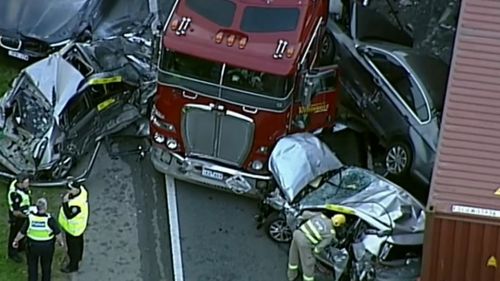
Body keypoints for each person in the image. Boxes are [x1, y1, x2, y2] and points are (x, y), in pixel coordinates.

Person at [12, 198, 64, 281]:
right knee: (46, 266)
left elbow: (22, 232)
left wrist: (16, 240)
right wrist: (60, 242)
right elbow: (57, 233)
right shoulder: (49, 219)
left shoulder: (30, 218)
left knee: (32, 266)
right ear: (45, 208)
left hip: (32, 246)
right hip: (47, 247)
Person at [287, 211, 346, 281]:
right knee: (309, 264)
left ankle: (291, 275)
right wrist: (314, 254)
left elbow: (305, 214)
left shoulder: (320, 215)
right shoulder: (331, 234)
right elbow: (319, 247)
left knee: (293, 255)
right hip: (304, 244)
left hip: (297, 233)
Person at [58, 178, 89, 273]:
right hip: (79, 227)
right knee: (79, 243)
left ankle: (73, 265)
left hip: (73, 229)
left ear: (76, 190)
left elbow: (69, 215)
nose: (68, 191)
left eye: (70, 189)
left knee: (73, 248)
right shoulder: (81, 191)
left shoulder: (77, 204)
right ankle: (78, 257)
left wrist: (65, 202)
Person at [7, 173, 32, 263]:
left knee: (22, 231)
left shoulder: (18, 184)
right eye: (26, 183)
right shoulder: (15, 195)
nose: (28, 184)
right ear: (20, 183)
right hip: (17, 217)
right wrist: (28, 216)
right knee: (15, 234)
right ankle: (12, 253)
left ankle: (20, 246)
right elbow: (16, 212)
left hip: (24, 210)